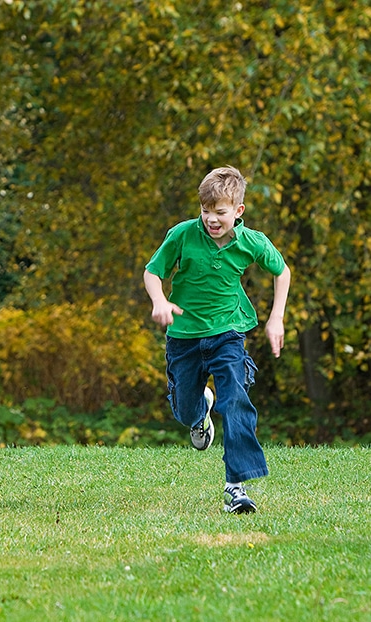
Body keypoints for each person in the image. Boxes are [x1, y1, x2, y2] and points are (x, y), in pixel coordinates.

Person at [143, 166, 290, 514]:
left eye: (220, 212)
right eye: (205, 210)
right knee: (184, 409)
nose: (211, 218)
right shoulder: (182, 235)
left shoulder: (251, 242)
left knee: (236, 398)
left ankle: (235, 487)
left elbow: (281, 271)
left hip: (228, 333)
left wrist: (276, 317)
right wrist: (160, 300)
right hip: (184, 337)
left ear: (237, 211)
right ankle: (199, 412)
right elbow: (153, 271)